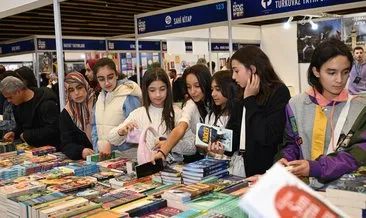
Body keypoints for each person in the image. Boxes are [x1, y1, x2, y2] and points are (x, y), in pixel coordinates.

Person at [276, 38, 366, 182]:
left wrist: (317, 167)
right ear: (316, 71)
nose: (339, 80)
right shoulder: (295, 105)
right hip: (304, 190)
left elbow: (358, 153)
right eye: (331, 72)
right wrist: (285, 160)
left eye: (345, 72)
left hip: (345, 193)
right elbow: (291, 143)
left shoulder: (360, 108)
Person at [109, 68, 196, 161]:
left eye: (162, 89)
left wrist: (169, 145)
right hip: (147, 168)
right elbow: (112, 139)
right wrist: (122, 131)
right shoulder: (138, 114)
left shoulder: (177, 113)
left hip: (173, 172)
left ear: (168, 89)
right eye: (152, 90)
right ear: (146, 91)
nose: (158, 94)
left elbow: (192, 147)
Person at [231, 45, 291, 177]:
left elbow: (267, 136)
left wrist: (250, 100)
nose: (233, 77)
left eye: (236, 71)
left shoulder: (278, 92)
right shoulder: (240, 93)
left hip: (268, 171)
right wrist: (220, 145)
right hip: (240, 169)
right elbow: (234, 133)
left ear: (252, 69)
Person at [152, 64, 212, 162]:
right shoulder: (191, 104)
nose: (192, 91)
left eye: (197, 86)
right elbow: (181, 127)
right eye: (189, 87)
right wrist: (163, 151)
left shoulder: (216, 101)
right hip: (205, 159)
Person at [91, 58, 142, 158]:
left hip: (127, 156)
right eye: (101, 79)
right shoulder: (100, 97)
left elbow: (136, 130)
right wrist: (97, 145)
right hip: (104, 155)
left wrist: (112, 144)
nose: (106, 83)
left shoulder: (129, 95)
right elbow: (94, 126)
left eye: (110, 77)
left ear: (116, 74)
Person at [0, 76, 60, 148]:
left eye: (10, 97)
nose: (9, 100)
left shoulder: (46, 103)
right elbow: (21, 126)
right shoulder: (17, 104)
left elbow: (53, 129)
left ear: (18, 92)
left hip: (50, 148)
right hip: (30, 148)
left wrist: (28, 135)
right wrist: (14, 133)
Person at [59, 72, 95, 160]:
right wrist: (81, 151)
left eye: (79, 87)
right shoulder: (67, 113)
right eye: (71, 90)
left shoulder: (99, 103)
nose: (76, 93)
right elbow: (66, 144)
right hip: (86, 161)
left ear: (86, 86)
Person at [206, 70, 241, 157]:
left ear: (230, 89)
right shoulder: (211, 115)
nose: (213, 94)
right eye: (212, 89)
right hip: (211, 164)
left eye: (218, 89)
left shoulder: (238, 117)